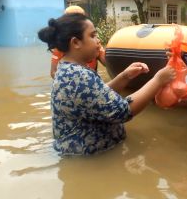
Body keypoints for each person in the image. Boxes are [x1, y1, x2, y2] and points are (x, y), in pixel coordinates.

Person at [38, 13, 175, 155]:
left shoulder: (69, 68)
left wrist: (124, 77)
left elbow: (97, 97)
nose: (98, 41)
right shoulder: (78, 76)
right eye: (92, 36)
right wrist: (158, 80)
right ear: (75, 43)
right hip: (89, 162)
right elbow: (123, 111)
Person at [50, 5, 106, 78]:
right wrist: (71, 80)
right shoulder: (61, 46)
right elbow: (53, 72)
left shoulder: (93, 43)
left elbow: (107, 62)